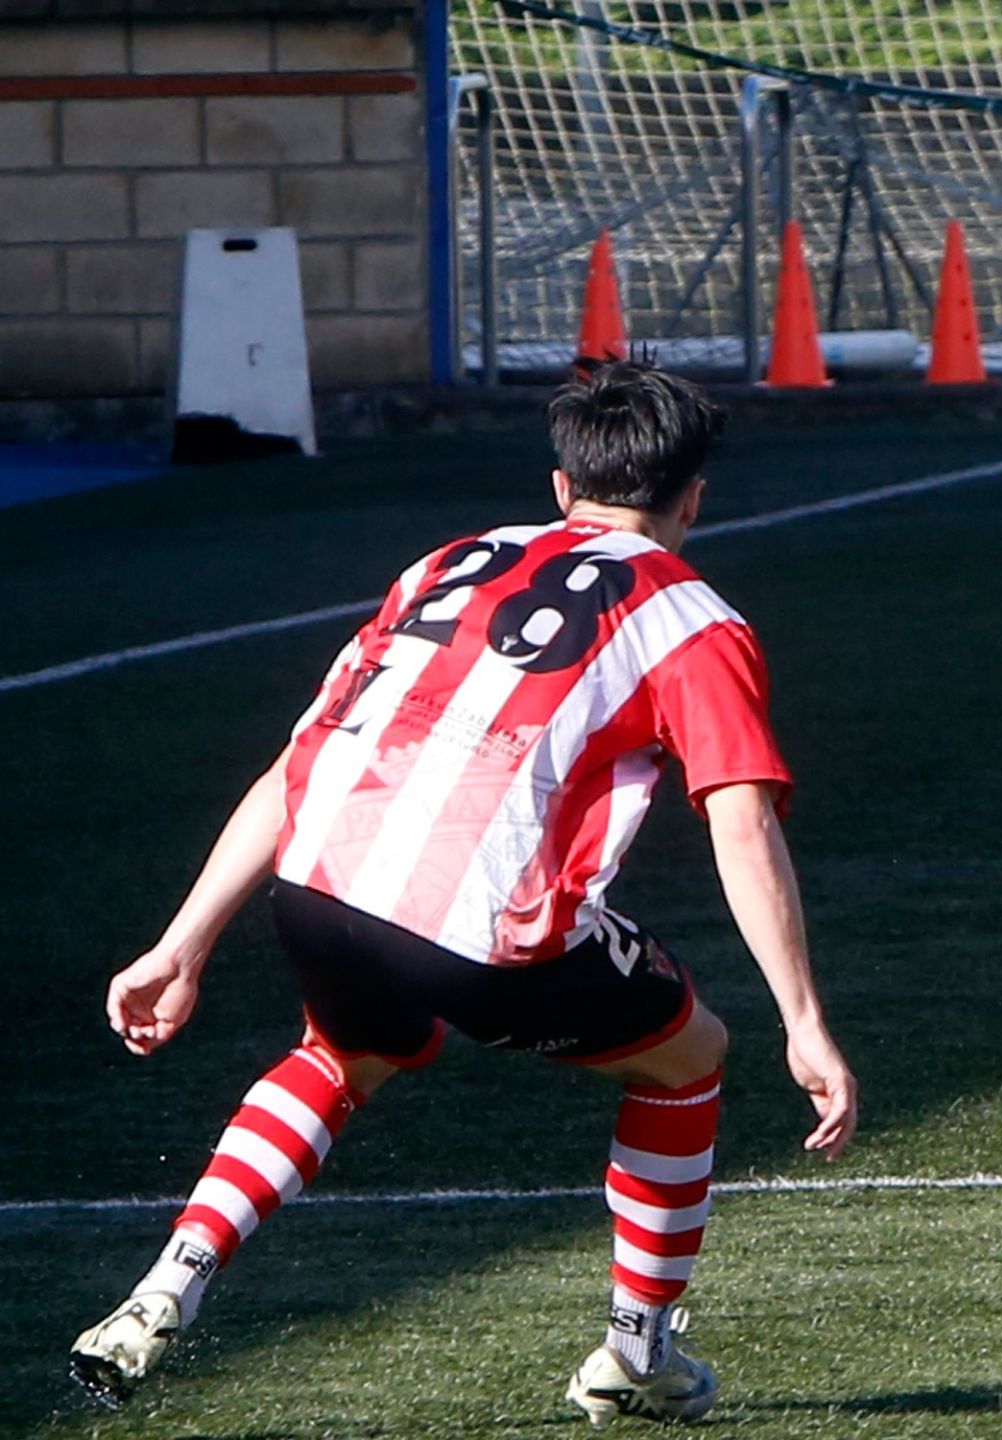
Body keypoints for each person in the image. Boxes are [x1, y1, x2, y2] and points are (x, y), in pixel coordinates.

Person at [67, 359, 858, 1425]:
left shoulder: (446, 564)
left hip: (316, 887)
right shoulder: (694, 618)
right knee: (689, 1056)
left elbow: (299, 763)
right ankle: (637, 1349)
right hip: (482, 929)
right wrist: (803, 1022)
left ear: (563, 487)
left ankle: (170, 1281)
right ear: (694, 500)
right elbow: (740, 820)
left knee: (341, 1056)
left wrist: (181, 944)